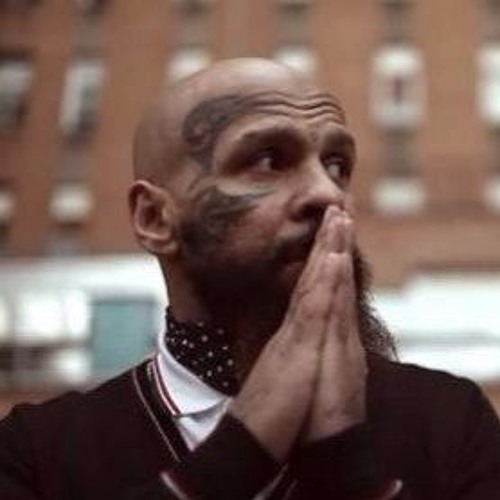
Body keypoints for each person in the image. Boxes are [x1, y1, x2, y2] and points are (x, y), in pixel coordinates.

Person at [1, 58, 500, 500]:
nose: (328, 194)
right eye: (269, 160)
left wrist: (349, 470)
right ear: (155, 218)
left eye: (337, 165)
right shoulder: (38, 452)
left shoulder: (451, 423)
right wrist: (243, 448)